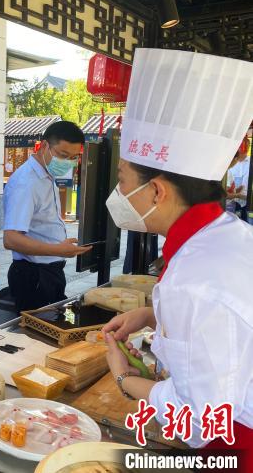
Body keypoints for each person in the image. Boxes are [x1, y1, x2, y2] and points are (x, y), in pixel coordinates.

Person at [100, 48, 252, 466]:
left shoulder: (195, 278)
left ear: (157, 192)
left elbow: (203, 419)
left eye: (123, 181)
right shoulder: (228, 235)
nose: (120, 194)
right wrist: (152, 316)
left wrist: (125, 378)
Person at [3, 121, 91, 312]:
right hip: (33, 276)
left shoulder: (45, 174)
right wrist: (57, 249)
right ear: (44, 146)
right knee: (37, 335)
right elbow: (11, 239)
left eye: (74, 157)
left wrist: (59, 247)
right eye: (63, 155)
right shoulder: (26, 182)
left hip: (49, 272)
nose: (67, 162)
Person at [226, 136, 249, 221]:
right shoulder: (227, 172)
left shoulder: (250, 162)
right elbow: (224, 194)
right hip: (230, 204)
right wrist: (238, 195)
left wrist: (237, 190)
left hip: (243, 201)